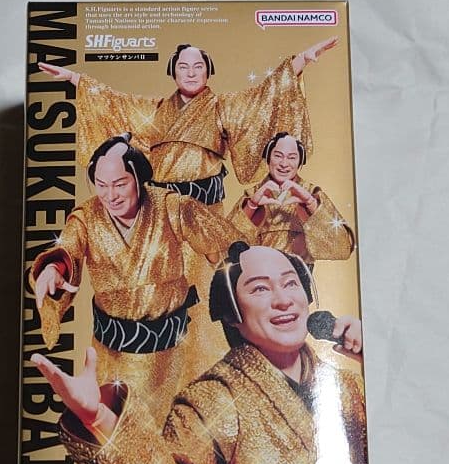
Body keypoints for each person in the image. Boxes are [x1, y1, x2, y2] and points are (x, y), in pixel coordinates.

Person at [31, 242, 370, 464]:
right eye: (260, 289)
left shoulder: (349, 387)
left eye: (291, 283)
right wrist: (100, 417)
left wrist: (372, 361)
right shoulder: (211, 400)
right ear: (232, 315)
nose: (284, 300)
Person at [30, 134, 242, 423]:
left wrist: (246, 262)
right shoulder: (86, 217)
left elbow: (223, 242)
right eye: (101, 185)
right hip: (112, 352)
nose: (111, 195)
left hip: (169, 353)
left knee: (171, 429)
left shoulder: (170, 206)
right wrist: (55, 269)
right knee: (114, 429)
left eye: (120, 184)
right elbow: (68, 248)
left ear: (139, 178)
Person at [37, 38, 338, 208]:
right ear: (174, 72)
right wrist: (75, 78)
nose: (191, 73)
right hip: (160, 204)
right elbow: (114, 101)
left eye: (198, 66)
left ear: (208, 72)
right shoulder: (155, 110)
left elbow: (265, 93)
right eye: (183, 67)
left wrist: (302, 60)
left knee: (204, 280)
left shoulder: (222, 106)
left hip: (205, 202)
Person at [229, 132, 356, 266]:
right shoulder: (252, 195)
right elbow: (225, 249)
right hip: (260, 273)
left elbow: (343, 249)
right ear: (268, 157)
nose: (284, 164)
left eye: (292, 157)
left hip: (300, 274)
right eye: (278, 156)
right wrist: (251, 206)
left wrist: (310, 203)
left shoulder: (312, 193)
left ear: (300, 161)